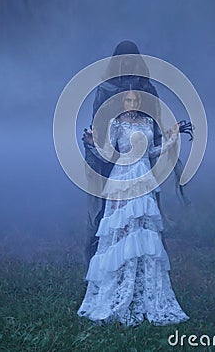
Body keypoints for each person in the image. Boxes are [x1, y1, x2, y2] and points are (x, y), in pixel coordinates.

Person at [77, 89, 189, 325]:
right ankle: (118, 289)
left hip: (144, 179)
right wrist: (93, 143)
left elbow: (151, 153)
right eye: (128, 99)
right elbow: (109, 155)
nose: (132, 103)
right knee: (121, 231)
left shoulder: (148, 121)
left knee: (142, 230)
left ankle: (140, 286)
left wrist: (172, 139)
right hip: (122, 179)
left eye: (136, 99)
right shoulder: (116, 123)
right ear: (122, 102)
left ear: (141, 101)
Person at [83, 40, 191, 266]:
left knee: (144, 208)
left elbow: (155, 120)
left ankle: (142, 258)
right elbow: (99, 120)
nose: (127, 64)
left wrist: (168, 135)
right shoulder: (106, 88)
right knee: (110, 208)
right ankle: (107, 259)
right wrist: (98, 143)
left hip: (142, 154)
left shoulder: (147, 88)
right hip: (114, 153)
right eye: (123, 60)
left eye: (131, 59)